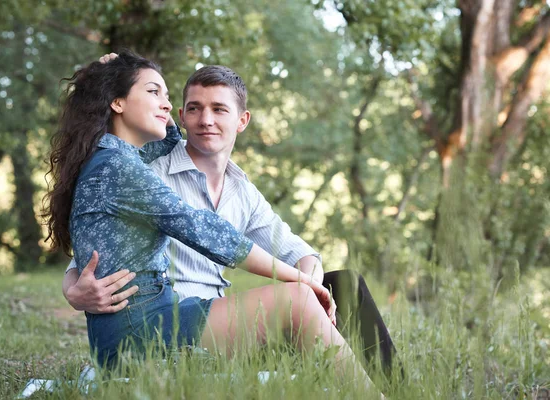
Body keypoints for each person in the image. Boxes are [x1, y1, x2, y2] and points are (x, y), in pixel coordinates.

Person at [45, 49, 382, 395]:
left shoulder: (127, 160)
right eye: (156, 93)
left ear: (242, 120)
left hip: (180, 318)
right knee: (297, 298)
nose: (204, 119)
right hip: (145, 330)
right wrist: (72, 288)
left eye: (219, 109)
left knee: (341, 286)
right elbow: (210, 234)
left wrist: (104, 77)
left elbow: (298, 250)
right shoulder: (134, 169)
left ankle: (385, 384)